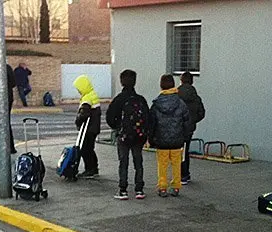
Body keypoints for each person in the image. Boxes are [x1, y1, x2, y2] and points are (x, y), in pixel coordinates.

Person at [106, 69, 149, 200]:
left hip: (124, 135)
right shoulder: (140, 99)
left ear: (121, 82)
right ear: (135, 81)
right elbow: (147, 117)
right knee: (138, 162)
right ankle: (139, 190)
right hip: (138, 135)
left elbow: (109, 117)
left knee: (123, 162)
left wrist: (117, 127)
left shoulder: (119, 99)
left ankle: (123, 190)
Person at [149, 74, 190, 197]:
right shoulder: (181, 103)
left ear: (161, 86)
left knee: (162, 165)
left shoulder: (156, 104)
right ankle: (176, 186)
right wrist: (185, 136)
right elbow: (187, 121)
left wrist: (151, 138)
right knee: (176, 164)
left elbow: (152, 123)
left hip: (161, 141)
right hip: (177, 140)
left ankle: (162, 187)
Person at [177, 71, 205, 184]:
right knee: (185, 150)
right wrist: (192, 121)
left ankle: (179, 174)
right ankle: (185, 174)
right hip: (189, 128)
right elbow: (201, 113)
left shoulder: (176, 94)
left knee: (177, 151)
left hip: (176, 127)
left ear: (181, 80)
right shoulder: (196, 97)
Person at [73, 75, 102, 178]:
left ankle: (89, 169)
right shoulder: (92, 95)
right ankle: (94, 168)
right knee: (90, 149)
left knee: (85, 149)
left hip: (88, 129)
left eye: (79, 89)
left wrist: (77, 121)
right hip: (94, 128)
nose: (78, 91)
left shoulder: (87, 98)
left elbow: (84, 114)